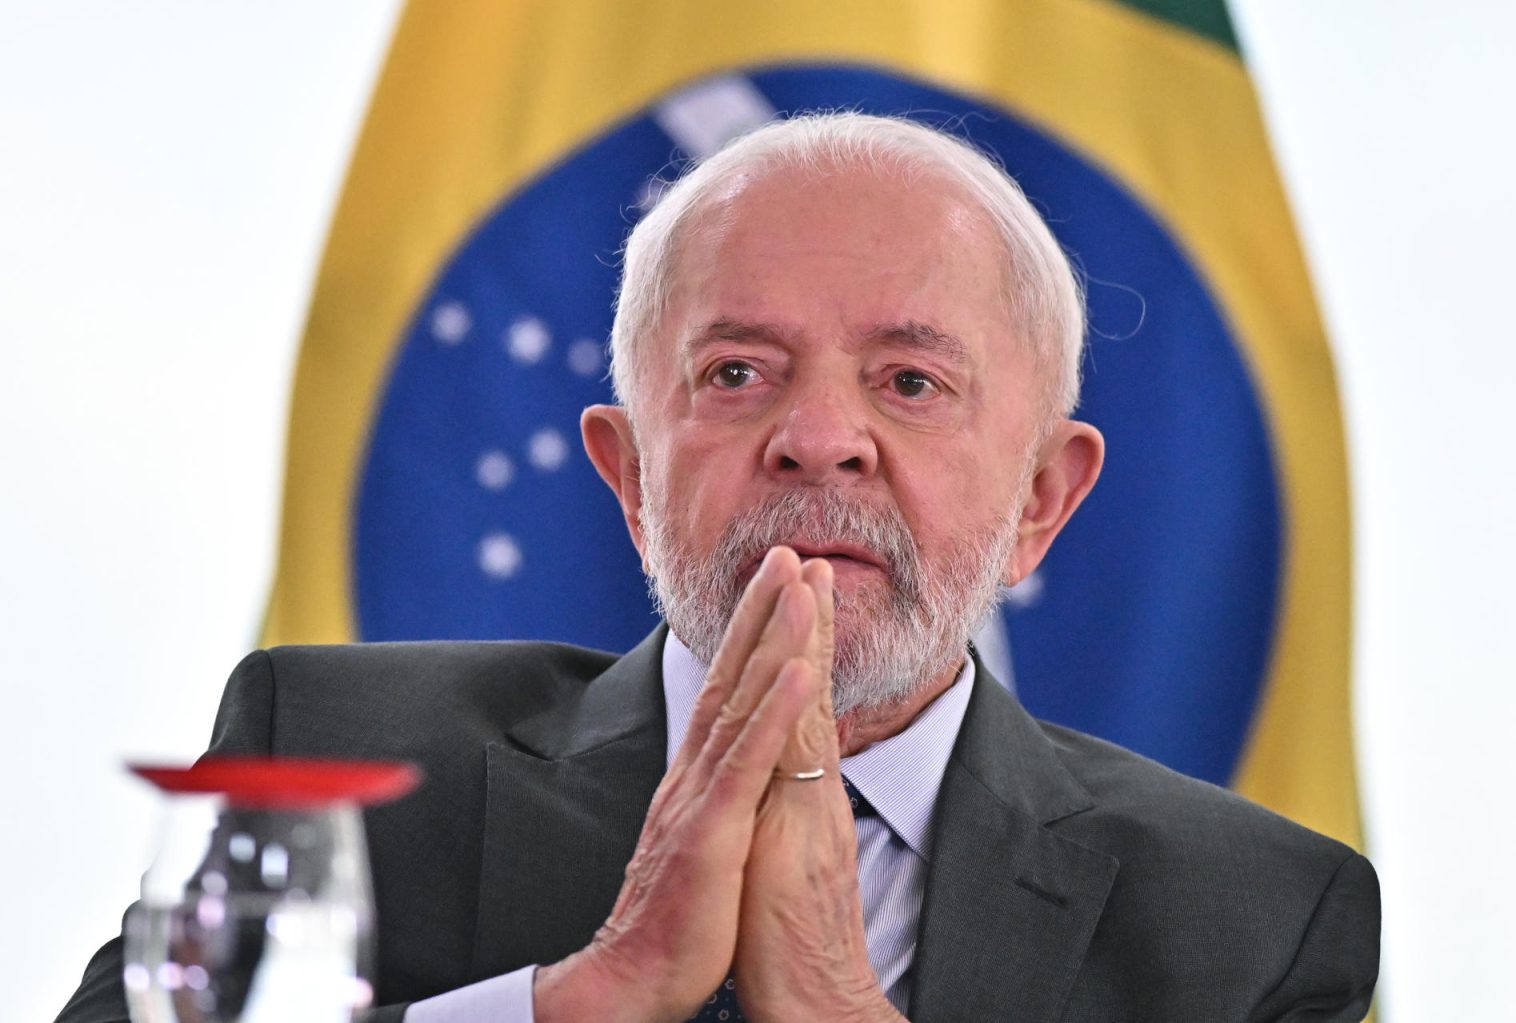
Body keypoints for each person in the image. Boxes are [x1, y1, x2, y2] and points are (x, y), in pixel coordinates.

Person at [59, 113, 1380, 1022]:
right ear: (629, 476)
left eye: (910, 382)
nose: (819, 441)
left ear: (1044, 497)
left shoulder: (1254, 919)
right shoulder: (339, 758)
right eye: (737, 373)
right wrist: (582, 999)